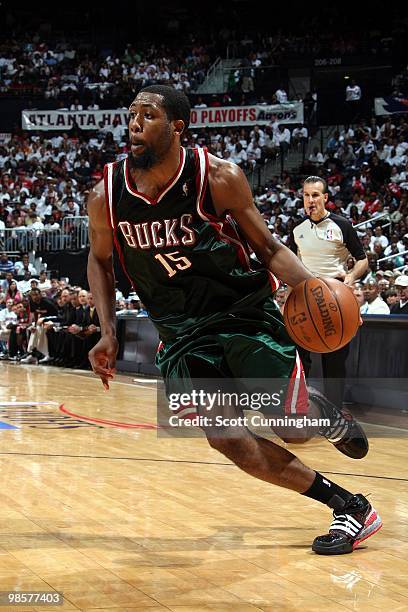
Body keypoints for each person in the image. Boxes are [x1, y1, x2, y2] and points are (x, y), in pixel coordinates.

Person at [87, 85, 381, 555]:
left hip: (241, 314)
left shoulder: (218, 176)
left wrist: (325, 295)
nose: (134, 123)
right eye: (131, 114)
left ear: (177, 127)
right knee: (228, 439)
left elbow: (268, 248)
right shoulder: (107, 193)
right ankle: (349, 506)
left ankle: (318, 411)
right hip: (180, 334)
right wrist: (106, 330)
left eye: (148, 115)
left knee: (292, 428)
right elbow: (99, 261)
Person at [289, 176, 368, 410]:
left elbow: (362, 260)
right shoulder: (297, 229)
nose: (310, 200)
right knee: (300, 360)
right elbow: (292, 264)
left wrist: (351, 279)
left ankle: (333, 415)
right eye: (306, 195)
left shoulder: (342, 225)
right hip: (304, 299)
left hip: (335, 299)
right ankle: (299, 410)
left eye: (315, 195)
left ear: (325, 198)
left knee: (334, 363)